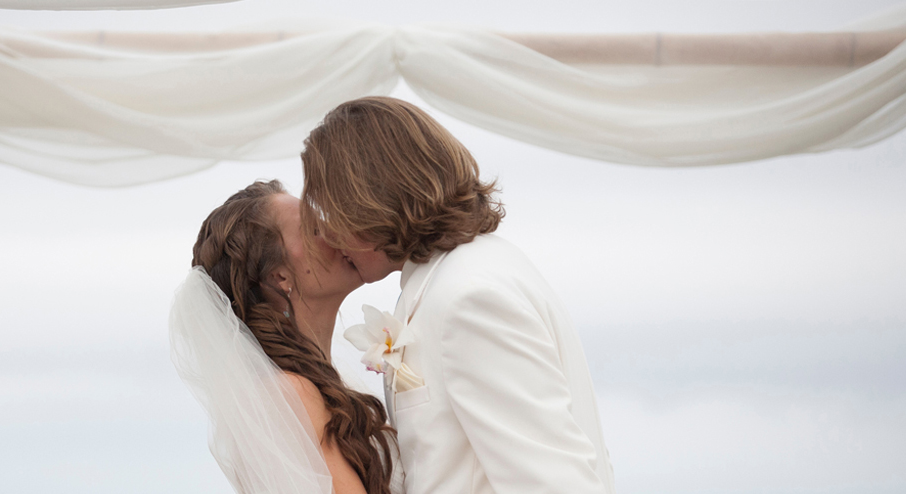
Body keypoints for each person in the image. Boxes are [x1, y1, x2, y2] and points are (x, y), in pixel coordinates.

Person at [301, 96, 616, 494]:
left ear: (369, 197)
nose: (328, 235)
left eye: (332, 210)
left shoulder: (469, 296)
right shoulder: (457, 276)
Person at [171, 180, 401, 494]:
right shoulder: (290, 394)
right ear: (280, 277)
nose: (338, 232)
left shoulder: (302, 391)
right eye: (314, 229)